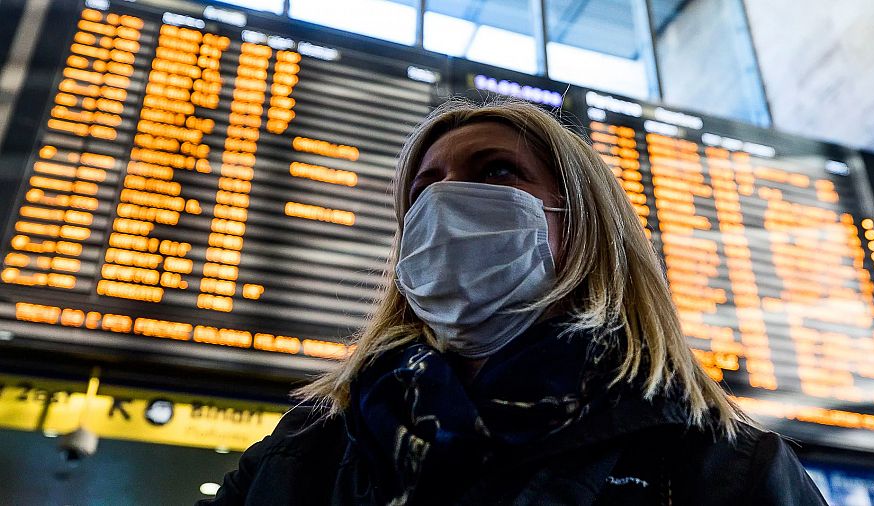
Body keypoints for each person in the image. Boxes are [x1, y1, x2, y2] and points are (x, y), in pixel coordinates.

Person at [199, 98, 827, 505]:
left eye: (497, 170)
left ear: (581, 227)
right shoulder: (304, 451)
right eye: (426, 187)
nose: (446, 202)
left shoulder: (722, 468)